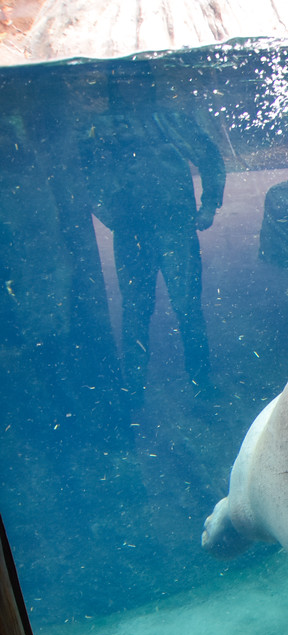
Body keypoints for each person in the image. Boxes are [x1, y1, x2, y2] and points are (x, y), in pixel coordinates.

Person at [80, 64, 225, 407]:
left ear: (149, 82)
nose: (131, 85)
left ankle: (202, 386)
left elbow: (209, 156)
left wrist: (209, 205)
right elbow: (88, 177)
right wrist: (109, 215)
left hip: (176, 229)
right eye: (123, 78)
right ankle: (133, 391)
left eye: (137, 77)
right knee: (135, 311)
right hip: (131, 232)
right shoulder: (103, 127)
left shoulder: (170, 119)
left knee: (188, 309)